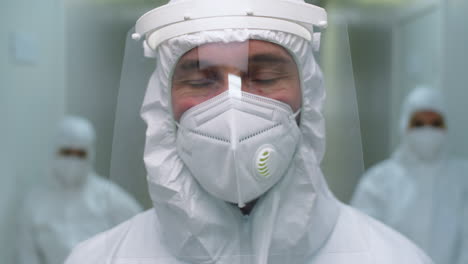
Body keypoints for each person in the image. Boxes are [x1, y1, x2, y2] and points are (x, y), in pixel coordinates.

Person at [65, 1, 432, 263]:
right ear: (163, 104)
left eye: (264, 76)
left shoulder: (392, 257)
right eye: (202, 79)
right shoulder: (101, 258)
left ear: (310, 96)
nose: (232, 109)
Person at [352, 87, 468, 264]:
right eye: (419, 124)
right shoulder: (378, 181)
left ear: (446, 126)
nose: (427, 131)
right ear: (405, 125)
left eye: (435, 123)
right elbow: (362, 241)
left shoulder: (462, 177)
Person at [17, 116, 142, 264]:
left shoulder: (109, 196)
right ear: (54, 150)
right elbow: (26, 255)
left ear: (90, 154)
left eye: (80, 154)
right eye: (66, 152)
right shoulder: (35, 202)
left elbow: (141, 237)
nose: (73, 162)